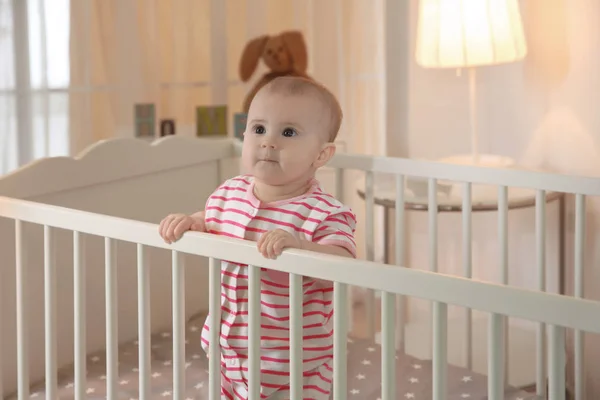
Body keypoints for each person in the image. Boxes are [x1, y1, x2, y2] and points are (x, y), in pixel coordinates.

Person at [158, 76, 357, 399]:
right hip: (227, 349)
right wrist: (190, 222)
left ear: (321, 155)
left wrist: (302, 248)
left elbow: (346, 262)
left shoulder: (324, 212)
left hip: (295, 363)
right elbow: (209, 219)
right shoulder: (228, 193)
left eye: (288, 132)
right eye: (259, 129)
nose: (269, 142)